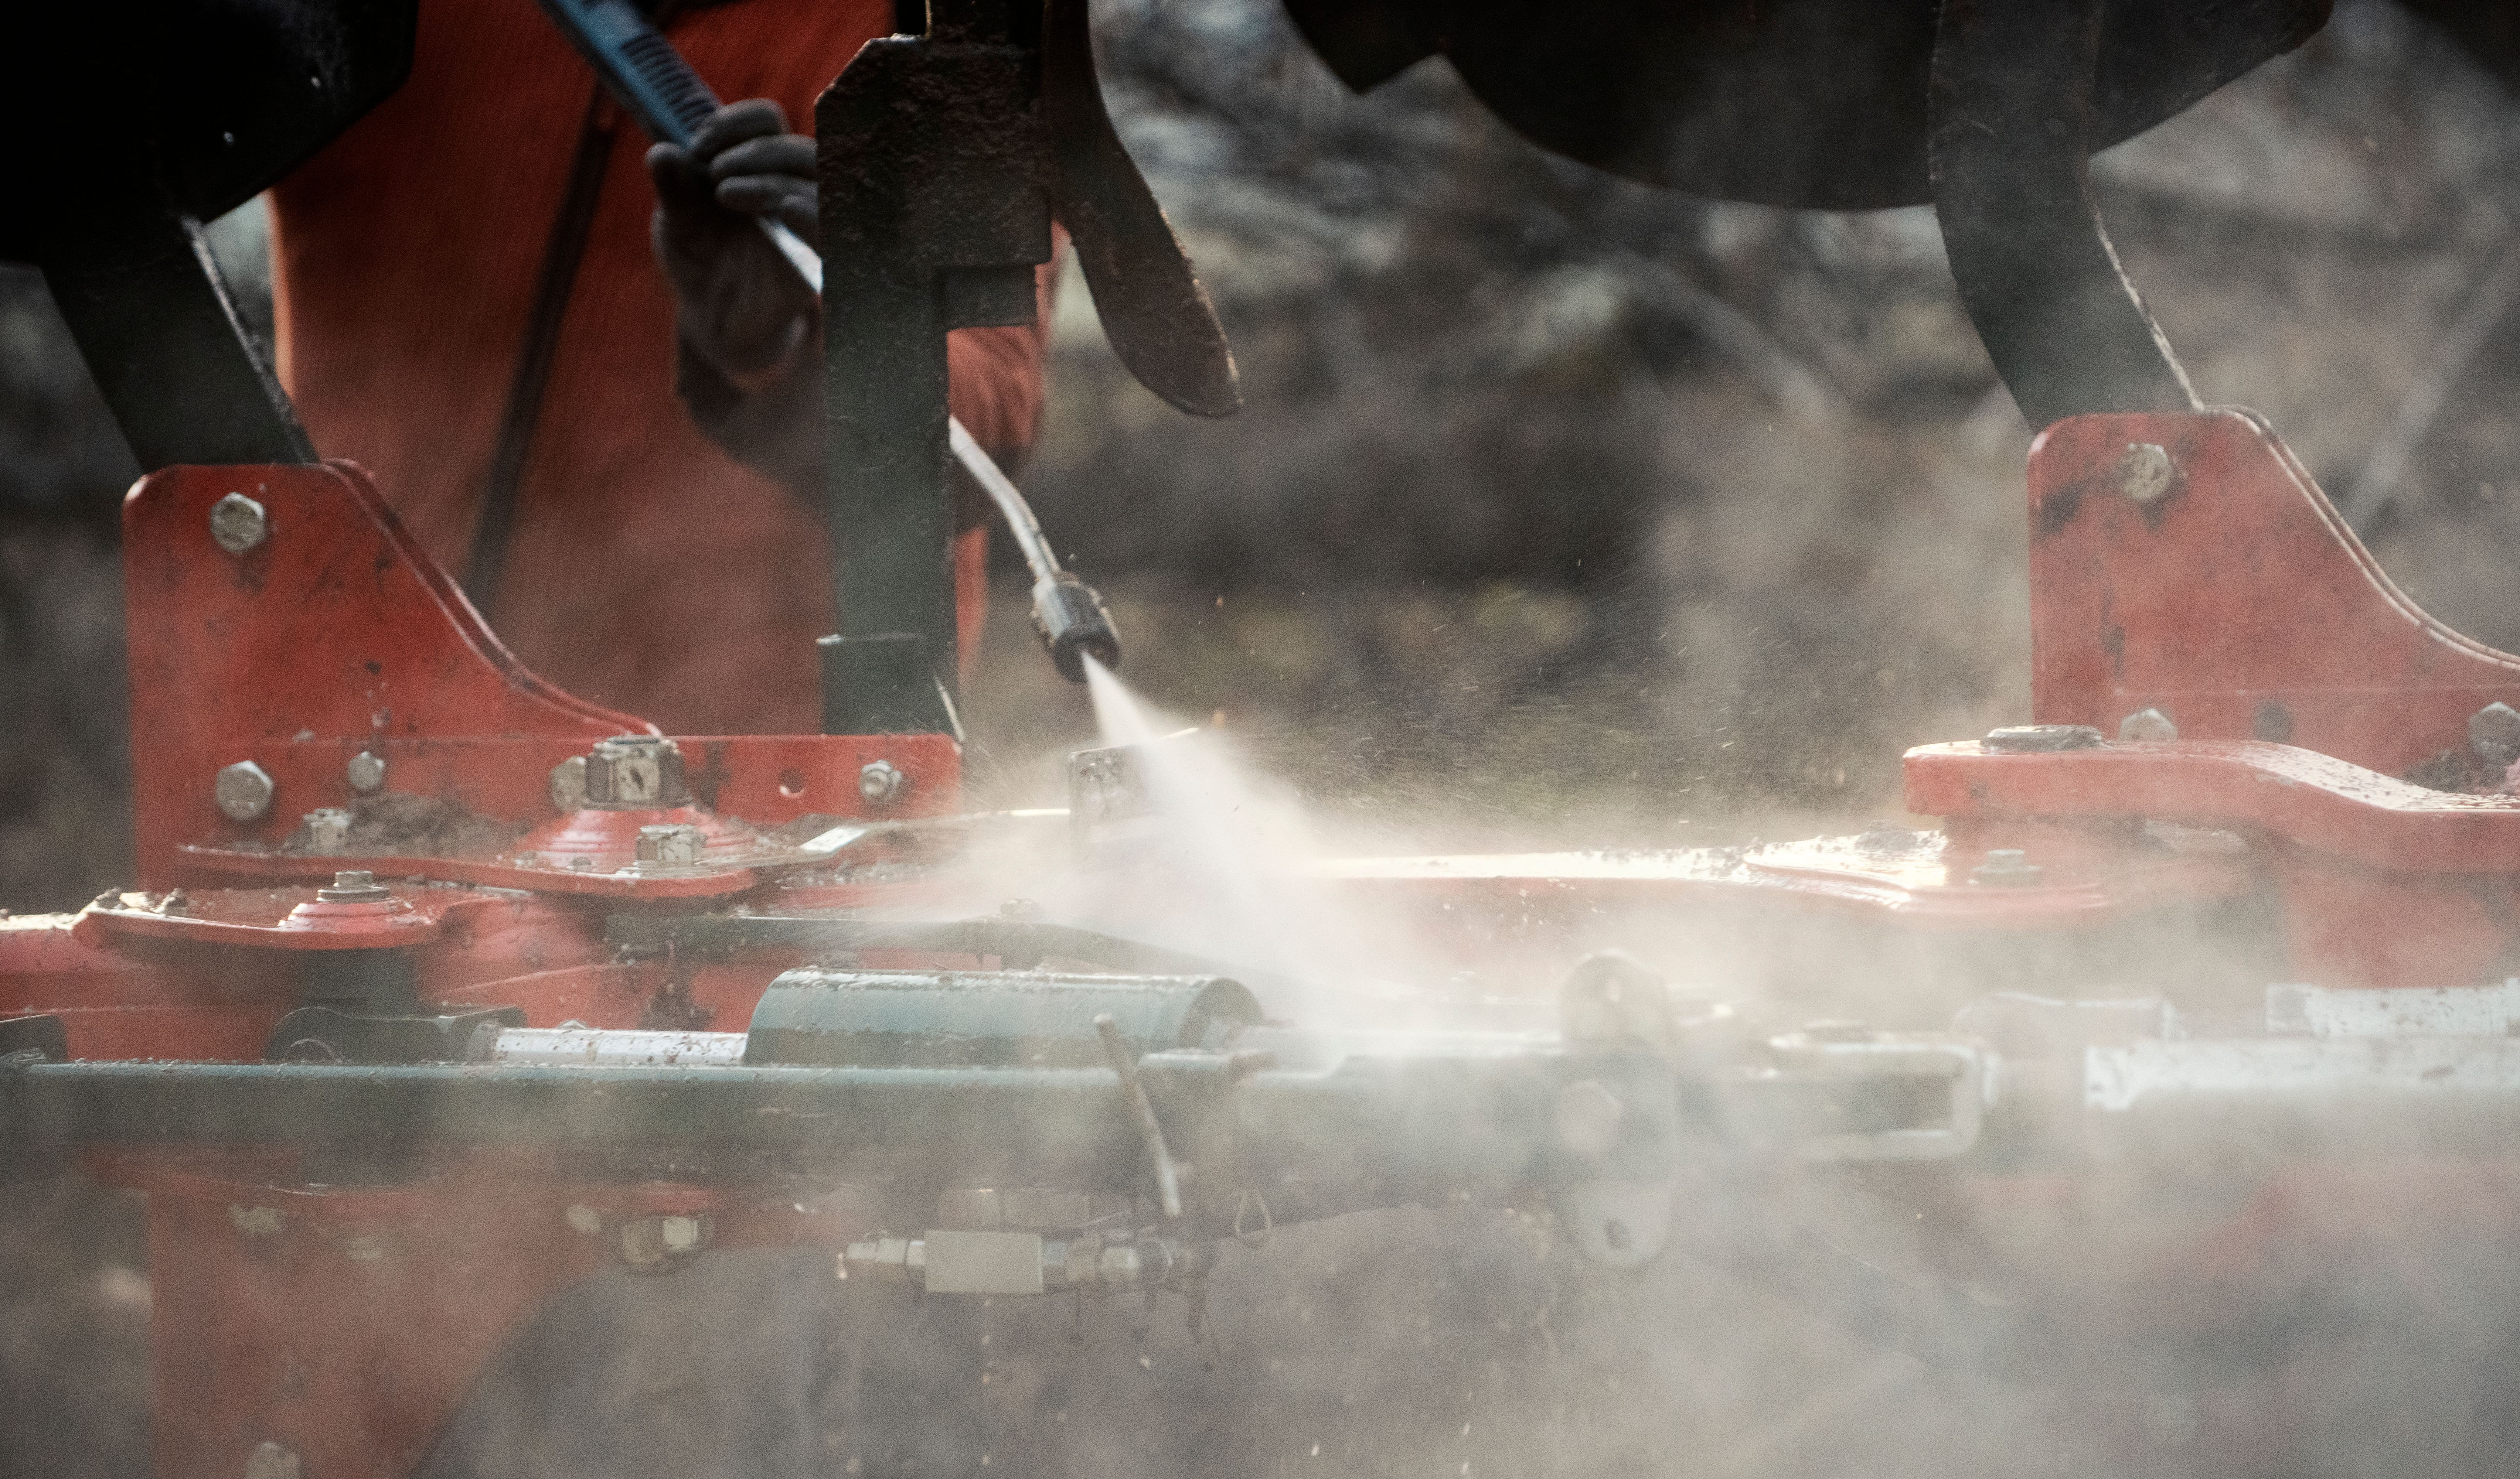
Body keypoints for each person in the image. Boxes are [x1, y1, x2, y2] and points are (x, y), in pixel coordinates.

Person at [267, 0, 1049, 735]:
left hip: (764, 795)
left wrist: (794, 342)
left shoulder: (935, 21)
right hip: (355, 735)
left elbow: (983, 430)